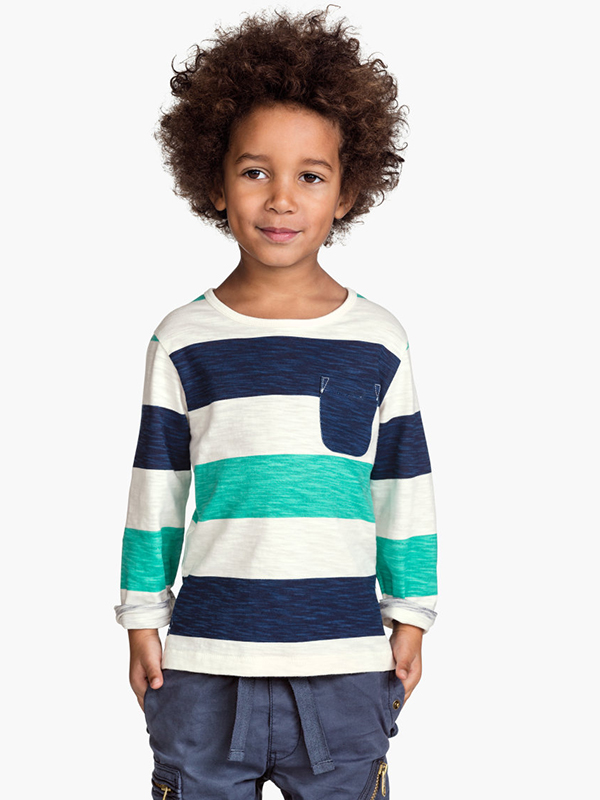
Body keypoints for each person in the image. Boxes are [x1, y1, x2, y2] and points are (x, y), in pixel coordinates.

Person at [115, 7, 438, 799]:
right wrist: (141, 616)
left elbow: (403, 488)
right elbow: (157, 488)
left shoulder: (379, 339)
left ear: (347, 190)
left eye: (310, 176)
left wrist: (412, 613)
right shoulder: (182, 339)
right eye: (256, 171)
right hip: (204, 667)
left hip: (345, 667)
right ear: (214, 182)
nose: (282, 199)